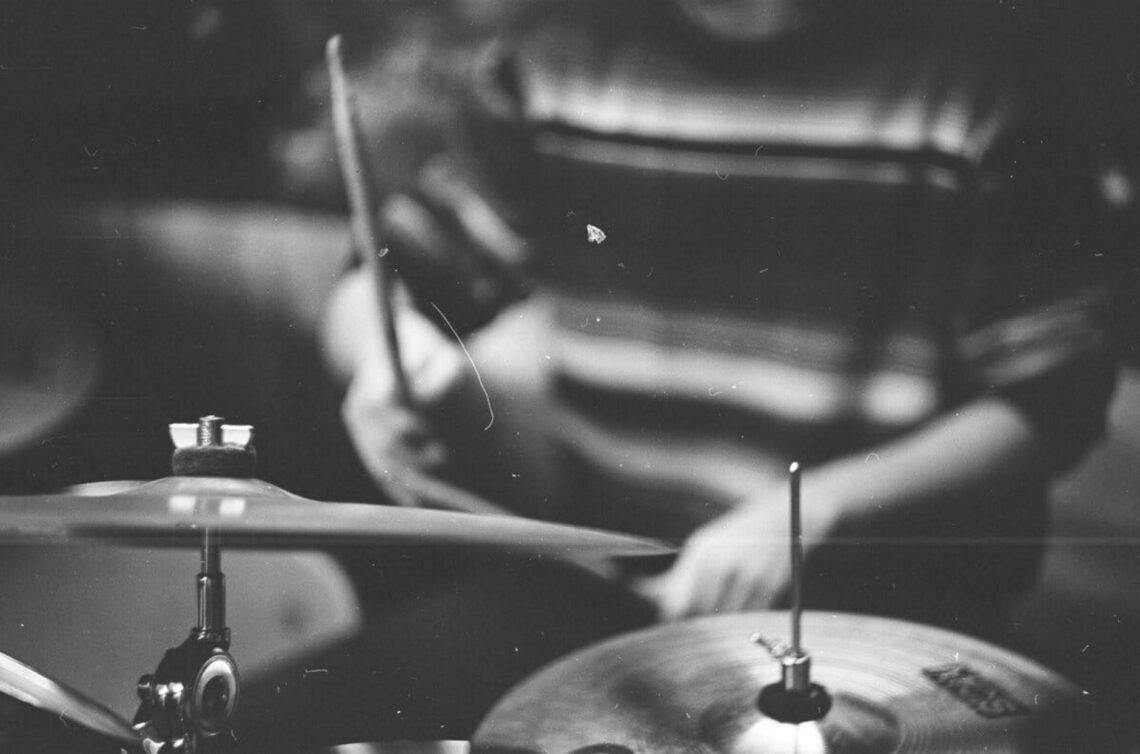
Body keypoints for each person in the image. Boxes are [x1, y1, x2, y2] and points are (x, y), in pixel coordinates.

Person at [321, 0, 1117, 636]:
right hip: (615, 596)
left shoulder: (986, 80)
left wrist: (813, 515)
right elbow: (382, 277)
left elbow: (1052, 400)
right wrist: (380, 365)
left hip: (887, 630)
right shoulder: (550, 62)